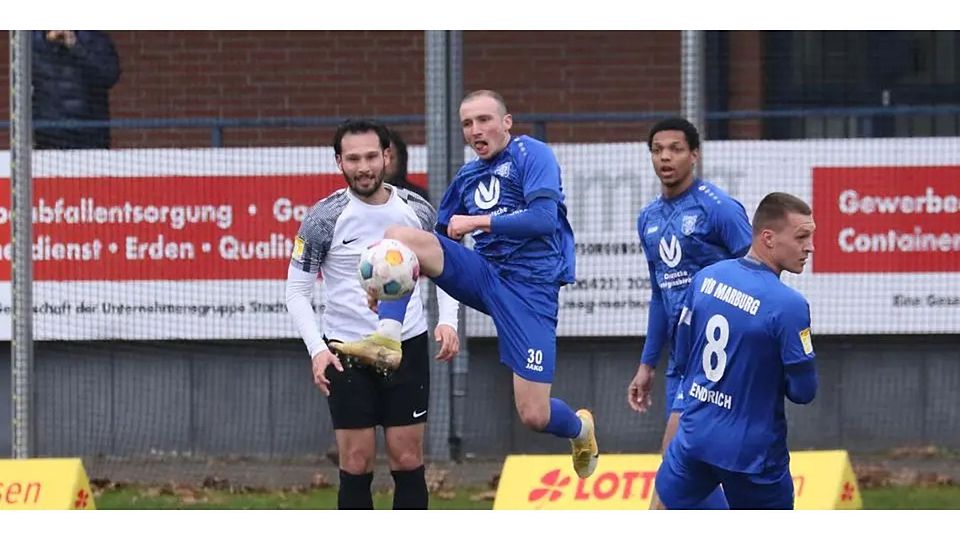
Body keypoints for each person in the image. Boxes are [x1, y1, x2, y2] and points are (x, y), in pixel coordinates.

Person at [332, 90, 599, 479]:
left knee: (534, 415)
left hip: (530, 291)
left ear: (506, 122)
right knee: (398, 235)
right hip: (485, 275)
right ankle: (387, 338)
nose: (476, 130)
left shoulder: (531, 154)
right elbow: (430, 251)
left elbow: (544, 220)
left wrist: (477, 222)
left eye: (485, 120)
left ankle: (581, 429)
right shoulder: (468, 176)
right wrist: (389, 288)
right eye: (467, 124)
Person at [285, 119, 461, 509]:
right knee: (356, 462)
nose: (363, 167)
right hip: (345, 352)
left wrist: (448, 320)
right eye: (353, 159)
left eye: (370, 157)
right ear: (339, 163)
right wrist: (317, 350)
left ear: (386, 157)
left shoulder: (416, 210)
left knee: (408, 459)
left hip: (407, 347)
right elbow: (296, 292)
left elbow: (448, 267)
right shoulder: (322, 217)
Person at [653, 191, 818, 510]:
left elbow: (684, 354)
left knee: (663, 506)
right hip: (752, 455)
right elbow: (803, 391)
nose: (810, 246)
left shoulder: (706, 278)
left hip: (696, 435)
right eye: (802, 237)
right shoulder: (789, 305)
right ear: (768, 238)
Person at [626, 117, 752, 509]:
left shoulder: (718, 208)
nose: (665, 157)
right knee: (689, 469)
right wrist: (647, 364)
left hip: (715, 358)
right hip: (679, 362)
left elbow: (759, 274)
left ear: (694, 155)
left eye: (675, 149)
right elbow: (660, 295)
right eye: (657, 149)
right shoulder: (648, 218)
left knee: (674, 466)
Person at [32, 30, 121, 149]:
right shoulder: (32, 43)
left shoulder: (94, 39)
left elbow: (110, 75)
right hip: (48, 134)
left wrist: (76, 46)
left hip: (90, 133)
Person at [384, 127, 431, 202]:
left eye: (390, 157)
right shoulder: (361, 196)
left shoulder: (415, 196)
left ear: (400, 160)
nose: (385, 164)